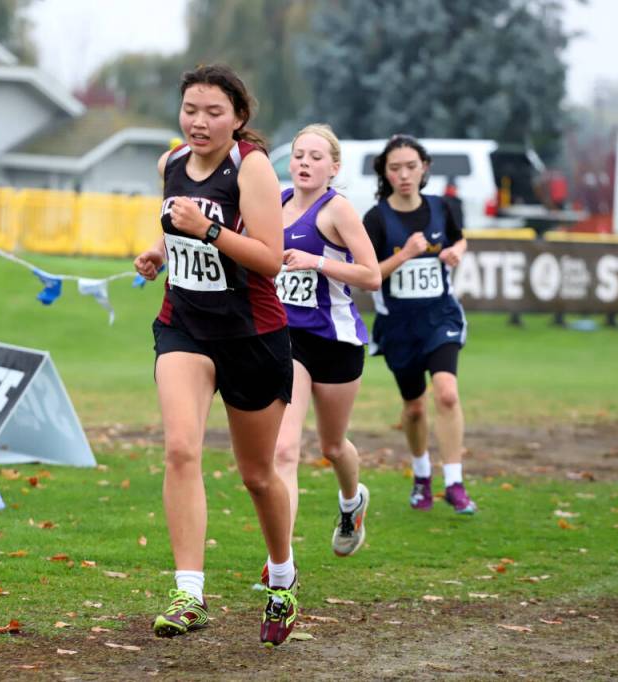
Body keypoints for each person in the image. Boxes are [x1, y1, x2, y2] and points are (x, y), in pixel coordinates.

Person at [133, 64, 298, 647]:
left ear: (239, 118)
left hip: (252, 336)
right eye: (190, 110)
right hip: (185, 327)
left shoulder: (250, 167)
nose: (199, 122)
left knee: (257, 475)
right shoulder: (171, 163)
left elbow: (271, 258)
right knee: (180, 449)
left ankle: (282, 577)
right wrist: (158, 251)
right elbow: (175, 224)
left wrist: (207, 232)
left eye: (213, 113)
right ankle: (188, 592)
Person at [272, 124, 381, 560]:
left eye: (316, 157)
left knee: (333, 446)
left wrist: (316, 261)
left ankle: (352, 502)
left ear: (333, 167)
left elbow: (371, 275)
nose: (304, 163)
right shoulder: (275, 205)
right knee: (284, 448)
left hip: (336, 341)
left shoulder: (338, 210)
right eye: (299, 155)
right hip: (289, 340)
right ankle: (280, 562)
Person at [363, 134, 477, 515]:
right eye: (395, 168)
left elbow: (461, 241)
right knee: (414, 408)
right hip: (399, 325)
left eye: (411, 166)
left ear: (424, 168)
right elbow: (367, 274)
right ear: (385, 172)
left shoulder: (442, 207)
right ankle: (422, 474)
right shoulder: (376, 219)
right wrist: (406, 255)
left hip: (439, 316)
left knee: (446, 393)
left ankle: (456, 483)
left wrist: (454, 253)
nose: (404, 174)